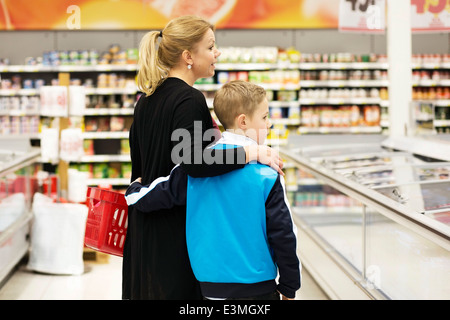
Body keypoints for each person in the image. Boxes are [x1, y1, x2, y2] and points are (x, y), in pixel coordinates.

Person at [124, 16, 284, 300]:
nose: (217, 53)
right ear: (188, 56)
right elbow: (196, 162)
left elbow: (139, 170)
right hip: (176, 231)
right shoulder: (189, 99)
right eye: (210, 47)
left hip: (143, 225)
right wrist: (252, 152)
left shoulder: (146, 101)